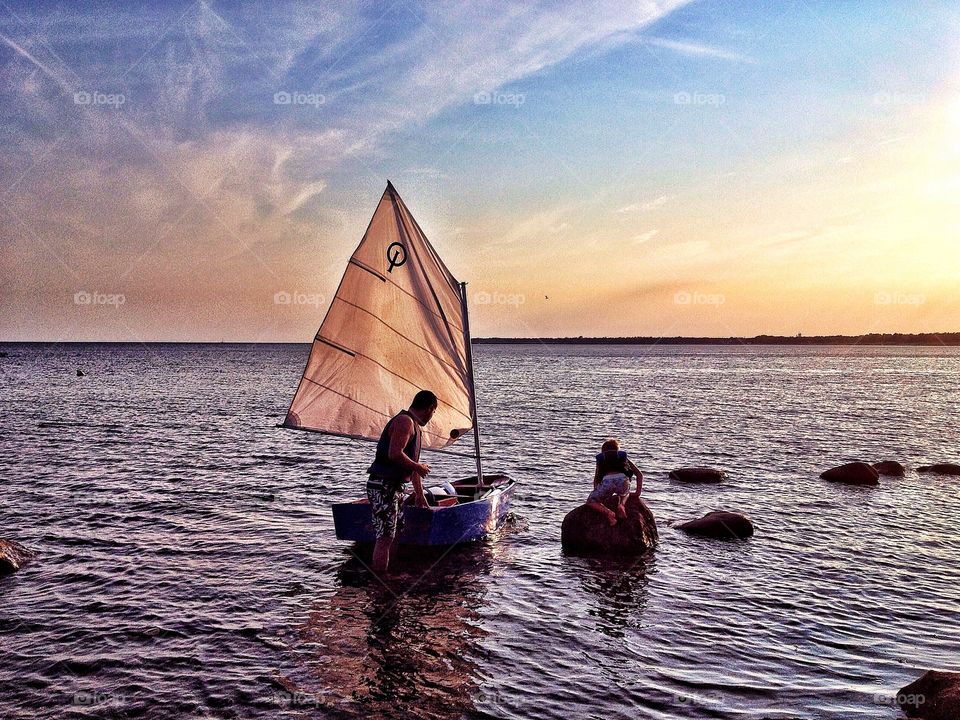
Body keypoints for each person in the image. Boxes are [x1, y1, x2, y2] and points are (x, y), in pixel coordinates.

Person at [366, 390, 438, 573]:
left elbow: (412, 468)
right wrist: (418, 466)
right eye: (433, 412)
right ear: (429, 408)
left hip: (395, 487)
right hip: (383, 486)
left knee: (396, 531)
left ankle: (390, 571)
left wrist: (420, 495)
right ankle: (380, 581)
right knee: (385, 536)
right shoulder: (405, 421)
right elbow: (394, 454)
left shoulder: (415, 427)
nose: (432, 416)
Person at [586, 439, 643, 525]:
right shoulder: (623, 458)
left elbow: (596, 478)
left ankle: (608, 512)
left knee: (591, 501)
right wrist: (637, 493)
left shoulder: (602, 459)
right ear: (617, 450)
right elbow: (639, 475)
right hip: (622, 480)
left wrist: (598, 493)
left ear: (603, 452)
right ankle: (621, 505)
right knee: (625, 493)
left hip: (607, 482)